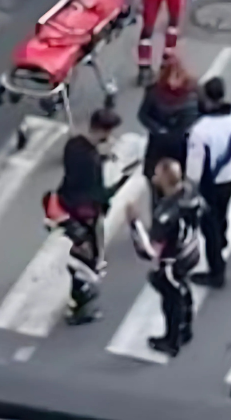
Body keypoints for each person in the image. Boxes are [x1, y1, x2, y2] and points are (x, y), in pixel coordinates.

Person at [54, 108, 124, 325]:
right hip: (85, 212)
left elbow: (76, 170)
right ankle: (78, 306)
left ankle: (79, 297)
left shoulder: (74, 144)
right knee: (85, 259)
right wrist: (118, 185)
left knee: (79, 252)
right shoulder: (91, 159)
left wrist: (100, 155)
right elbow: (96, 192)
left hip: (66, 202)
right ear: (103, 130)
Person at [130, 158, 204, 356]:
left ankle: (172, 340)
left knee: (171, 298)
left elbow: (149, 250)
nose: (154, 179)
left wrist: (134, 224)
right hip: (191, 251)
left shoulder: (165, 214)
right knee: (184, 287)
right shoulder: (191, 193)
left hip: (173, 260)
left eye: (157, 176)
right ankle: (186, 328)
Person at [186, 77, 231, 288]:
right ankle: (222, 238)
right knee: (223, 211)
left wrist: (190, 187)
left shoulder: (200, 130)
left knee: (208, 225)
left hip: (209, 184)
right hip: (230, 177)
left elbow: (194, 167)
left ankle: (216, 271)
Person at [139, 59, 200, 192]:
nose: (174, 82)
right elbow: (143, 114)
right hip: (158, 143)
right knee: (152, 178)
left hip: (180, 145)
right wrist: (158, 129)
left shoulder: (193, 93)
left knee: (176, 179)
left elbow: (197, 116)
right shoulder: (154, 91)